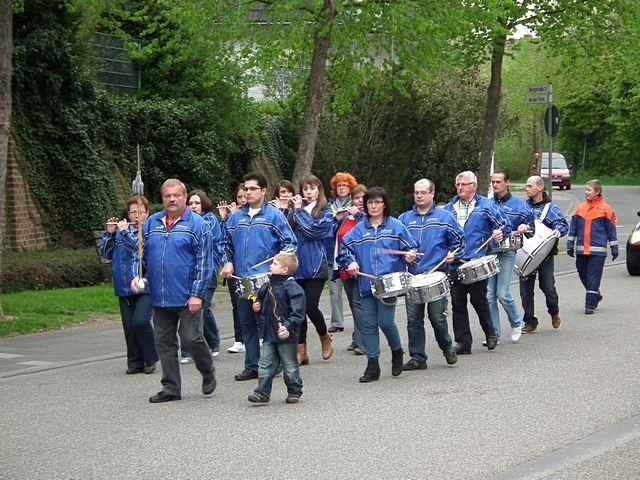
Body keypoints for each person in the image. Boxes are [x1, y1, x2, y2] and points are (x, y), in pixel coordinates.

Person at [132, 179, 216, 403]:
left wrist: (197, 294)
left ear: (184, 197)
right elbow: (139, 254)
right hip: (159, 295)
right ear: (162, 198)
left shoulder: (198, 225)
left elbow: (204, 262)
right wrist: (137, 275)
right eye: (167, 196)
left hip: (188, 294)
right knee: (164, 342)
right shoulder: (151, 224)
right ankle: (171, 387)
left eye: (176, 195)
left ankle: (207, 371)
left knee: (191, 338)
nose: (171, 199)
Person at [222, 173, 297, 381]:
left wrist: (277, 264)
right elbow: (225, 245)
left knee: (269, 324)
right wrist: (227, 262)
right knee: (246, 324)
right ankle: (252, 365)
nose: (248, 192)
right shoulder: (235, 218)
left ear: (263, 191)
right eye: (245, 189)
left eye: (253, 189)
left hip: (267, 280)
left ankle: (275, 363)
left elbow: (290, 243)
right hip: (242, 279)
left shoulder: (274, 216)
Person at [338, 187, 417, 382]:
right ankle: (372, 365)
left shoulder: (396, 226)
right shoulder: (358, 229)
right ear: (365, 205)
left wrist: (410, 255)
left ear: (384, 204)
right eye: (370, 202)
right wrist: (350, 262)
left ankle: (397, 351)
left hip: (389, 284)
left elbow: (412, 247)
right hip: (365, 283)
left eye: (377, 202)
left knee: (386, 322)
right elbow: (344, 249)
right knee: (368, 325)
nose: (373, 206)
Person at [399, 179, 463, 370]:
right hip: (413, 277)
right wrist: (405, 256)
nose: (419, 195)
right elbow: (398, 244)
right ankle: (418, 357)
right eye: (416, 192)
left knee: (437, 317)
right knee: (413, 319)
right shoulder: (404, 219)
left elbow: (459, 242)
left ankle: (447, 347)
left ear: (432, 194)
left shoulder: (445, 217)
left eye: (423, 192)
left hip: (437, 274)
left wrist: (454, 255)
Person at [444, 171, 507, 354]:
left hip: (476, 261)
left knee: (479, 300)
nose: (460, 188)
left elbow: (504, 225)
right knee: (458, 303)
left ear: (474, 186)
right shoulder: (448, 209)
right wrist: (445, 252)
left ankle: (490, 333)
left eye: (464, 184)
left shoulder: (486, 206)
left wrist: (499, 233)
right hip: (455, 262)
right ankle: (463, 342)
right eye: (458, 185)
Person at [99, 196, 158, 375]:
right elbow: (105, 254)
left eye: (140, 212)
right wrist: (110, 233)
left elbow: (141, 250)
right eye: (133, 212)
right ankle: (134, 362)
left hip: (145, 285)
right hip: (124, 286)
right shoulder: (121, 231)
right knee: (129, 326)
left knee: (140, 322)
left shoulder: (151, 230)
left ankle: (150, 358)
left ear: (147, 213)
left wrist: (124, 233)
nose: (136, 216)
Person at [247, 252, 306, 404]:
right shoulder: (266, 286)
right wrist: (257, 307)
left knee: (289, 365)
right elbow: (260, 303)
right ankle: (262, 392)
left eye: (274, 264)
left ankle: (294, 390)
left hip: (287, 334)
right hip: (268, 332)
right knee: (265, 363)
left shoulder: (293, 288)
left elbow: (298, 313)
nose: (270, 266)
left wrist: (288, 325)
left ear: (285, 269)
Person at [290, 174, 335, 364]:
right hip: (296, 265)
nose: (308, 192)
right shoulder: (295, 210)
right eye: (305, 188)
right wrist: (288, 210)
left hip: (317, 265)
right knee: (297, 308)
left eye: (312, 188)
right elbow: (287, 232)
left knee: (310, 306)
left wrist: (299, 212)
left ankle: (324, 336)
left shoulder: (326, 210)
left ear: (319, 189)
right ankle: (302, 349)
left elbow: (314, 231)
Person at [486, 170, 532, 344]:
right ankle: (494, 334)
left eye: (498, 182)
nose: (495, 185)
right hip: (490, 252)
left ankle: (516, 323)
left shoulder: (519, 205)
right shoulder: (487, 204)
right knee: (489, 295)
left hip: (508, 251)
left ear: (507, 183)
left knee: (502, 293)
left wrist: (524, 227)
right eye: (493, 182)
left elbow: (531, 226)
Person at [519, 175, 569, 333]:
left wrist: (558, 231)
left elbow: (562, 224)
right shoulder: (522, 208)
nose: (526, 189)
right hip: (525, 255)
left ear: (540, 187)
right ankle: (530, 321)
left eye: (529, 186)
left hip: (545, 255)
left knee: (548, 288)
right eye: (526, 186)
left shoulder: (550, 208)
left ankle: (554, 311)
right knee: (525, 291)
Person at [179, 190, 224, 363]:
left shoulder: (209, 220)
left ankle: (212, 342)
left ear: (203, 204)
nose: (193, 206)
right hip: (188, 274)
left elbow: (202, 242)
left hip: (207, 272)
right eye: (190, 203)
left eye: (197, 203)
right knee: (187, 310)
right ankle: (188, 350)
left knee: (201, 310)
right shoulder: (185, 221)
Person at [567, 179, 618, 314]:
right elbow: (573, 228)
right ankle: (595, 293)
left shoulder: (606, 209)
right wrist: (569, 244)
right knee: (582, 274)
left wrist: (614, 247)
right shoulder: (580, 208)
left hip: (598, 251)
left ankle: (589, 304)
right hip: (581, 249)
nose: (586, 192)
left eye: (589, 190)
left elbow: (611, 229)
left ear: (597, 192)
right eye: (586, 189)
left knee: (593, 277)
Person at [335, 184, 368, 354]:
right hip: (344, 266)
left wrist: (360, 215)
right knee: (353, 304)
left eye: (363, 198)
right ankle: (357, 338)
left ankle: (364, 342)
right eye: (356, 198)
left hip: (360, 266)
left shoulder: (368, 218)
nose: (360, 201)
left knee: (358, 304)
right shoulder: (347, 218)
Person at [327, 172, 358, 333]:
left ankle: (359, 321)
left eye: (345, 185)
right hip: (331, 250)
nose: (342, 188)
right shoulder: (329, 205)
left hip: (348, 252)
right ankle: (337, 321)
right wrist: (334, 220)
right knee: (334, 289)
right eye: (339, 185)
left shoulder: (355, 204)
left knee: (352, 291)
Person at [218, 184, 247, 354]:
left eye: (244, 197)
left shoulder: (247, 215)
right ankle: (239, 339)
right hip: (232, 267)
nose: (242, 200)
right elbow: (224, 240)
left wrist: (235, 217)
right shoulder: (230, 217)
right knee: (236, 303)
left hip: (246, 267)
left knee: (249, 300)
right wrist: (224, 218)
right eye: (239, 197)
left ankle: (256, 335)